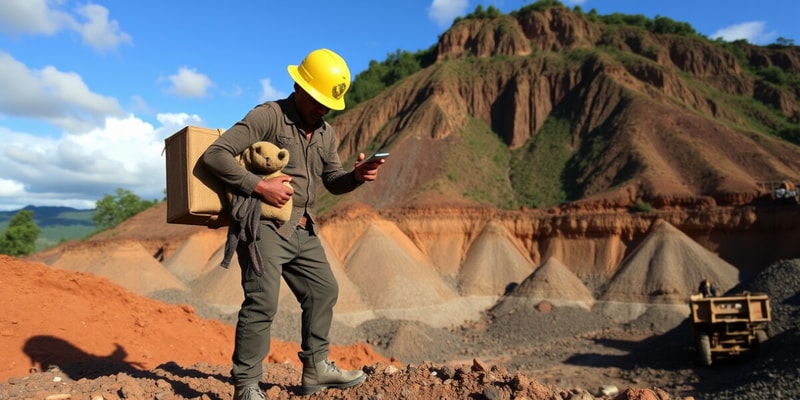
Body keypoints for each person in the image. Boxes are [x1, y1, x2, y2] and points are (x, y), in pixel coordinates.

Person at [202, 48, 385, 399]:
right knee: (262, 302)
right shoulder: (269, 116)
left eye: (328, 103)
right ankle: (247, 385)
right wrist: (259, 186)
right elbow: (215, 154)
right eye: (316, 99)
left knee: (324, 290)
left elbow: (332, 179)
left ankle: (315, 370)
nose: (322, 108)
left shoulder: (326, 132)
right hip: (263, 225)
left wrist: (357, 176)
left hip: (303, 227)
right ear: (299, 86)